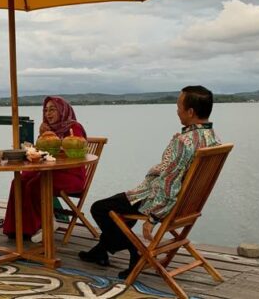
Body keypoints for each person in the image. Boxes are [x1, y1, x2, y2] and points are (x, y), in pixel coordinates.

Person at [78, 85, 220, 279]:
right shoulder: (212, 138)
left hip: (155, 200)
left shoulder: (183, 141)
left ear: (190, 111)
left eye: (179, 106)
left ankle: (134, 250)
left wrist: (153, 218)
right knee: (119, 214)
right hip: (187, 205)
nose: (176, 110)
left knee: (100, 209)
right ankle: (101, 251)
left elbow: (169, 183)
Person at [2, 96, 87, 243]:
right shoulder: (48, 129)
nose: (48, 113)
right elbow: (43, 153)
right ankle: (18, 228)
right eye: (46, 110)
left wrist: (52, 140)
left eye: (53, 109)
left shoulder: (74, 127)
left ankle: (46, 223)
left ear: (62, 110)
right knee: (19, 181)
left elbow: (72, 152)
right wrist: (42, 136)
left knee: (35, 185)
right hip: (49, 172)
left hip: (70, 175)